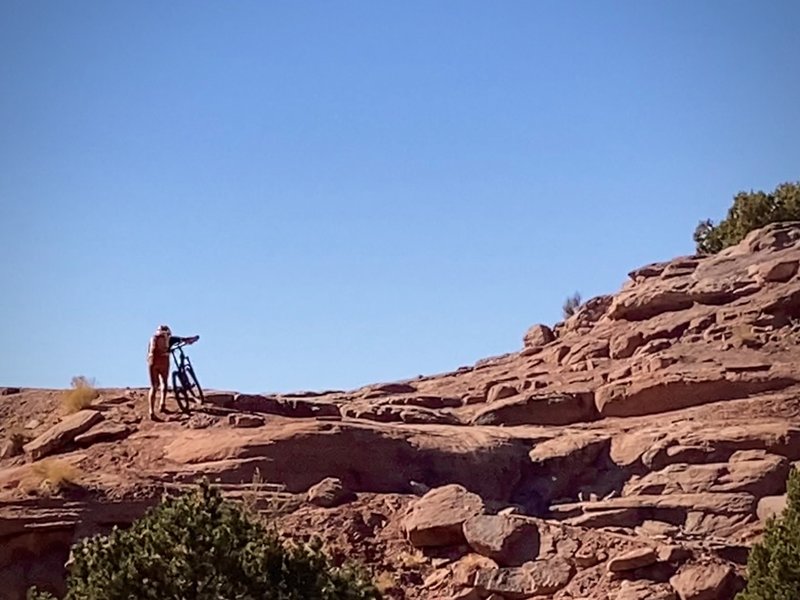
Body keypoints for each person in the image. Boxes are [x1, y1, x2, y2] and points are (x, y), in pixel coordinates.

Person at [147, 325, 199, 420]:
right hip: (163, 362)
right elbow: (184, 340)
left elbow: (151, 350)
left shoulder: (154, 338)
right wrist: (192, 339)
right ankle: (162, 404)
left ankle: (151, 411)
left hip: (152, 363)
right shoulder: (169, 339)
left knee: (154, 386)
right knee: (164, 383)